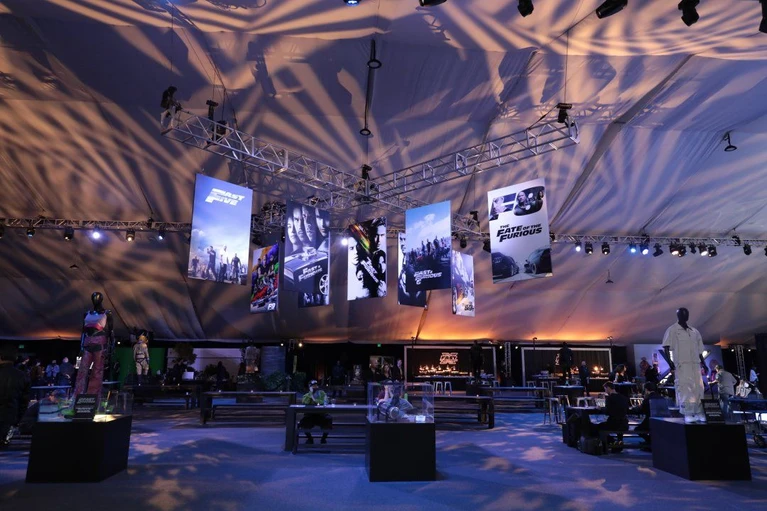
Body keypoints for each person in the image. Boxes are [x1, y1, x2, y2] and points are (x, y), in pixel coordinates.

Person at [663, 307, 707, 423]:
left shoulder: (694, 331)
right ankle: (688, 413)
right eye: (682, 314)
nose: (684, 316)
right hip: (682, 364)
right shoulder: (672, 330)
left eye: (686, 314)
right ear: (678, 316)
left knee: (699, 388)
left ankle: (699, 412)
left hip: (695, 364)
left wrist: (704, 363)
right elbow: (666, 347)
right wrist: (670, 363)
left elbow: (699, 350)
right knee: (685, 388)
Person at [0, 346, 30, 448]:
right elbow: (24, 400)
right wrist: (19, 418)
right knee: (4, 443)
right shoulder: (22, 375)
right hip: (11, 414)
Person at [594, 382, 629, 449]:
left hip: (614, 423)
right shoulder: (623, 397)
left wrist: (601, 408)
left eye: (605, 389)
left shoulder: (609, 398)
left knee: (598, 427)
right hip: (624, 423)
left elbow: (608, 411)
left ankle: (611, 442)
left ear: (608, 388)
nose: (605, 391)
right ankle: (619, 441)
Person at [634, 382, 662, 448]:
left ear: (646, 389)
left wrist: (636, 408)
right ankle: (650, 441)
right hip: (661, 420)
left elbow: (641, 410)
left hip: (649, 420)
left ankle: (649, 441)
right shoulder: (661, 397)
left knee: (638, 430)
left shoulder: (647, 399)